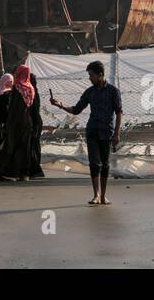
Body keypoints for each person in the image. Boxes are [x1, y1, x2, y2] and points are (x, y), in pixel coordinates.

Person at [50, 60, 123, 205]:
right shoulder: (90, 92)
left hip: (107, 132)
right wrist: (60, 105)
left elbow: (119, 113)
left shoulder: (113, 91)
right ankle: (96, 195)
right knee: (94, 164)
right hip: (92, 132)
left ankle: (103, 196)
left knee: (105, 164)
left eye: (91, 75)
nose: (89, 78)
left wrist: (117, 133)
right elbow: (76, 109)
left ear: (100, 75)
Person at [0, 65, 35, 181]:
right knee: (25, 147)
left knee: (13, 146)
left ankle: (13, 172)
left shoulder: (17, 87)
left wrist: (9, 122)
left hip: (16, 121)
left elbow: (13, 107)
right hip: (27, 121)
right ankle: (25, 174)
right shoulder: (30, 88)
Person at [28, 70, 45, 179]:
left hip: (34, 122)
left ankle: (36, 170)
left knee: (33, 146)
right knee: (35, 145)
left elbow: (33, 110)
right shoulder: (34, 91)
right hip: (36, 121)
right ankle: (35, 168)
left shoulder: (31, 92)